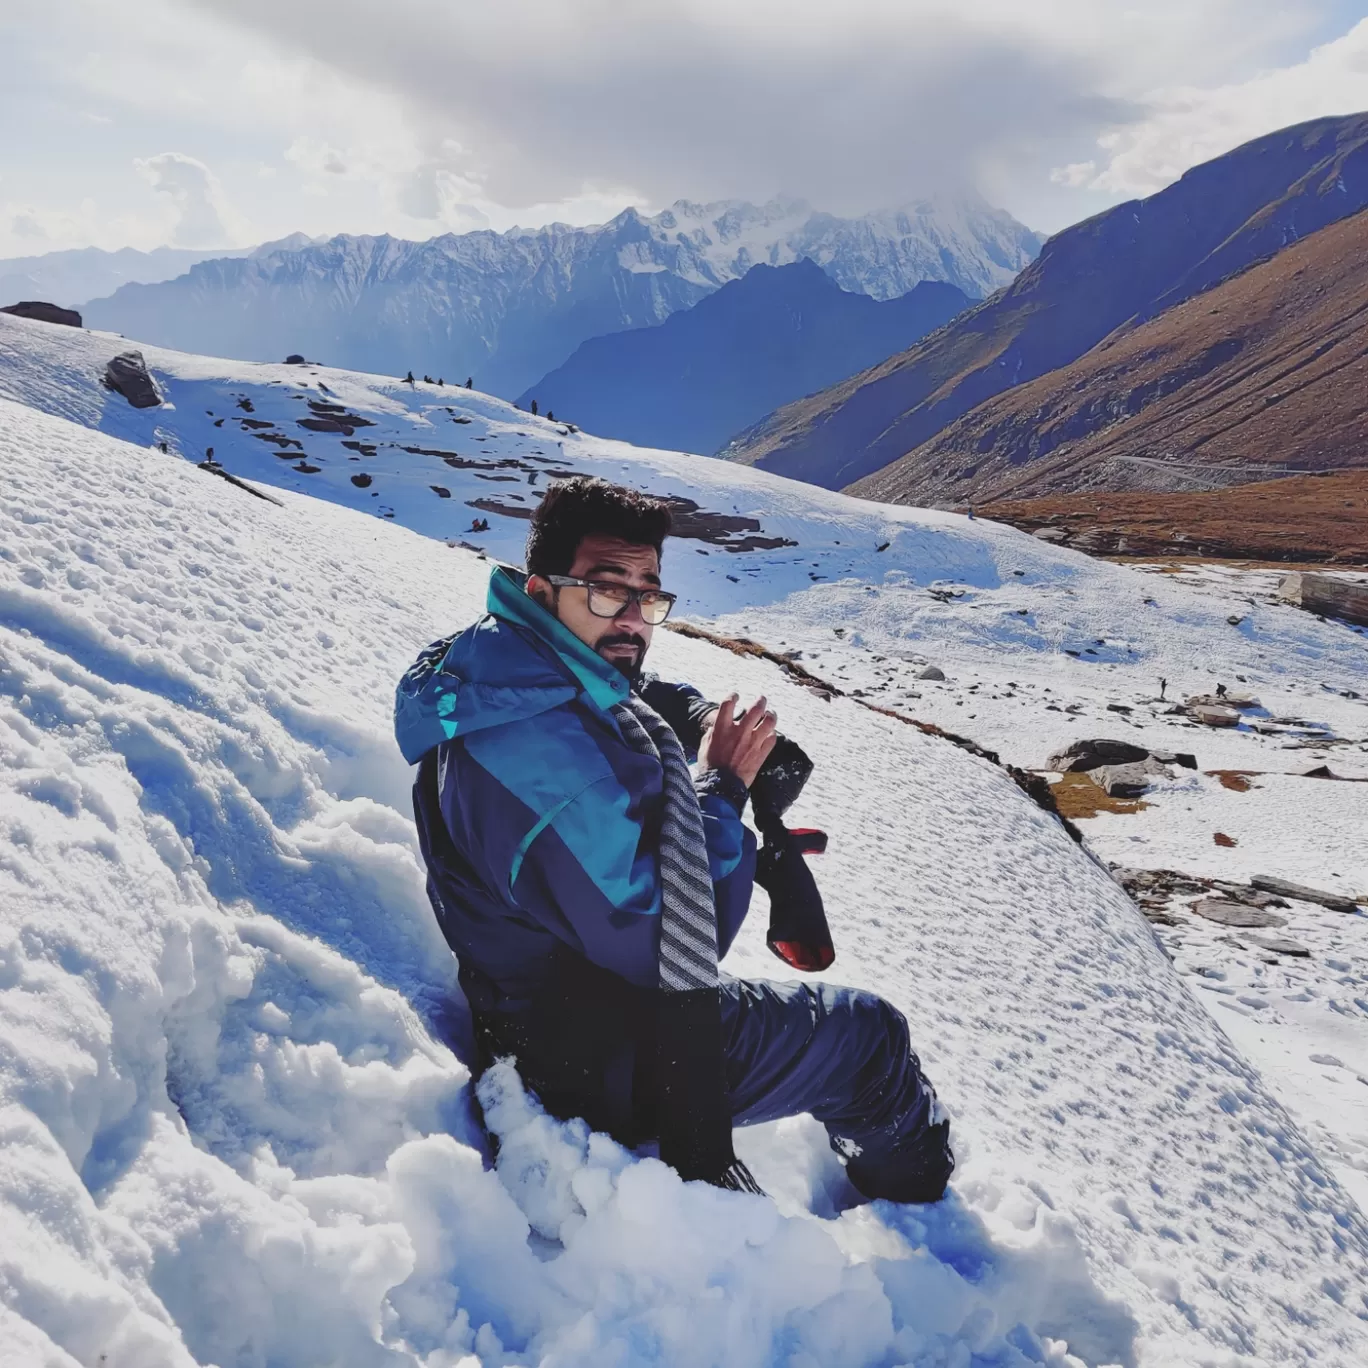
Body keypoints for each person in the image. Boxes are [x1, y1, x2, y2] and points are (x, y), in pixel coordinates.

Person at [395, 477, 952, 1201]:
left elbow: (612, 683)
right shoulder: (542, 766)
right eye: (604, 589)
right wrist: (721, 791)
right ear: (540, 591)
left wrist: (690, 715)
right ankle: (920, 1202)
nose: (631, 618)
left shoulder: (494, 667)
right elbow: (674, 939)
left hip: (552, 1002)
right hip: (608, 1054)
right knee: (870, 1038)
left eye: (647, 595)